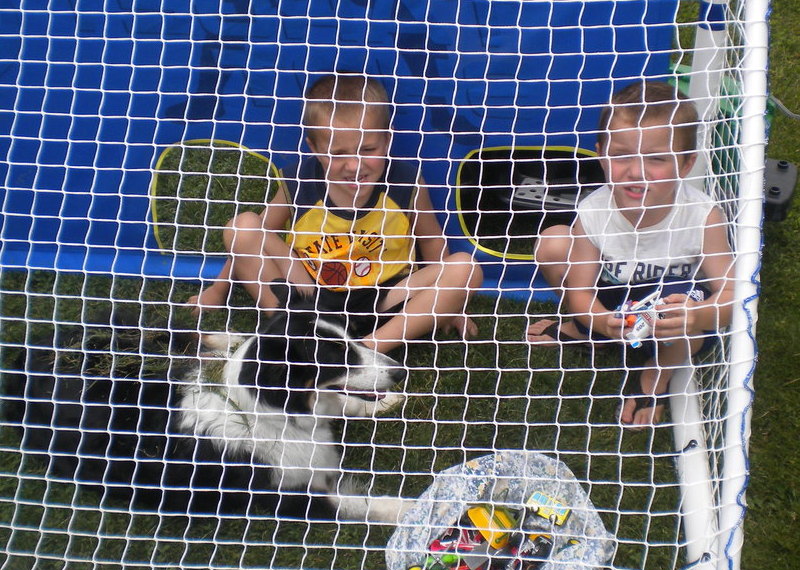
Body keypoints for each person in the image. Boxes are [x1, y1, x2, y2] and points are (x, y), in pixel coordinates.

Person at [188, 73, 483, 353]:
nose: (354, 166)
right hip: (309, 294)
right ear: (314, 147)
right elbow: (250, 240)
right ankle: (290, 326)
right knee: (242, 226)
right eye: (338, 154)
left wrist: (452, 304)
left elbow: (431, 240)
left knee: (465, 268)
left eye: (367, 149)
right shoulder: (300, 181)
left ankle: (368, 348)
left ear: (387, 140)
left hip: (384, 297)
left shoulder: (405, 182)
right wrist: (217, 290)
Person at [526, 80, 734, 427]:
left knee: (675, 308)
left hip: (675, 316)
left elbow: (732, 291)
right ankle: (588, 333)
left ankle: (656, 375)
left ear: (684, 166)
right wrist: (597, 320)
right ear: (601, 155)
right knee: (553, 242)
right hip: (616, 304)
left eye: (656, 159)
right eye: (622, 155)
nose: (636, 172)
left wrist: (698, 316)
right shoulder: (594, 211)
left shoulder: (702, 215)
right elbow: (579, 290)